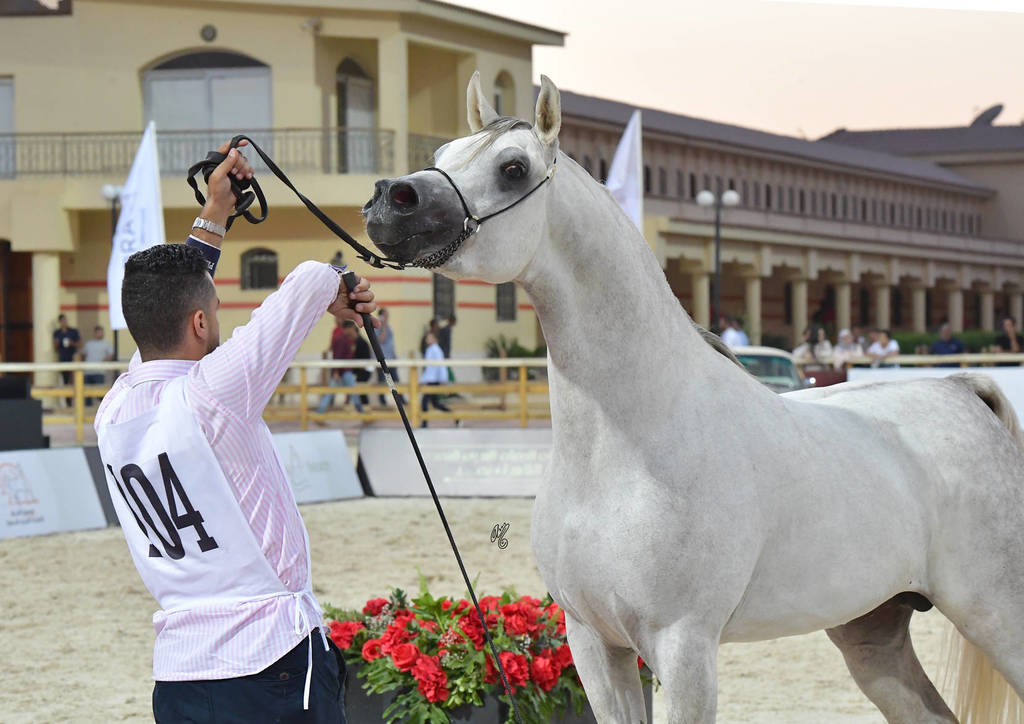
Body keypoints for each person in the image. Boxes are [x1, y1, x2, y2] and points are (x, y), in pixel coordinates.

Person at [94, 139, 377, 723]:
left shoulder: (115, 409)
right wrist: (338, 281)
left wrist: (216, 214)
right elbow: (304, 281)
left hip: (178, 673)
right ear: (200, 322)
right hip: (268, 661)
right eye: (215, 312)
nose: (218, 320)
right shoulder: (213, 394)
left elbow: (171, 299)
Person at [316, 318, 362, 415]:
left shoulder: (342, 338)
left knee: (332, 392)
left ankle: (320, 411)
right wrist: (336, 372)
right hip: (343, 370)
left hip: (342, 370)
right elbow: (338, 356)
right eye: (352, 328)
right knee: (353, 391)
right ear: (348, 328)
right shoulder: (341, 339)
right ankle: (361, 412)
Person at [420, 331, 451, 427]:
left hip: (434, 380)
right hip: (430, 380)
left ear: (434, 339)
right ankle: (456, 417)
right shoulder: (430, 350)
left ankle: (424, 424)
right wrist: (422, 380)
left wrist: (443, 380)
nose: (427, 340)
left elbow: (440, 366)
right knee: (435, 404)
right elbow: (429, 368)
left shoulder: (436, 350)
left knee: (424, 402)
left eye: (429, 337)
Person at [80, 325, 114, 405]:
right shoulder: (89, 344)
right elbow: (83, 355)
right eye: (98, 332)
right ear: (95, 333)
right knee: (86, 394)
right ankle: (87, 410)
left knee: (100, 394)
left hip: (99, 372)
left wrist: (105, 360)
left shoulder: (106, 344)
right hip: (88, 372)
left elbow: (111, 355)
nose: (100, 334)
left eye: (101, 332)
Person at [375, 307, 402, 405]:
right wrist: (383, 326)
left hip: (391, 359)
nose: (387, 317)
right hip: (382, 360)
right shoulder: (378, 328)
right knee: (383, 381)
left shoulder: (388, 327)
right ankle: (382, 402)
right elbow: (381, 339)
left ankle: (401, 400)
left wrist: (395, 356)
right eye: (385, 315)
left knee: (396, 381)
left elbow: (391, 343)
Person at [53, 313, 81, 403]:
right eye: (62, 321)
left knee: (73, 381)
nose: (64, 322)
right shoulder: (57, 333)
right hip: (63, 359)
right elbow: (55, 348)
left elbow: (79, 344)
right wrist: (56, 343)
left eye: (65, 320)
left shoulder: (73, 331)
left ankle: (74, 401)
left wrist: (71, 343)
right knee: (65, 382)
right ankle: (67, 402)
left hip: (72, 359)